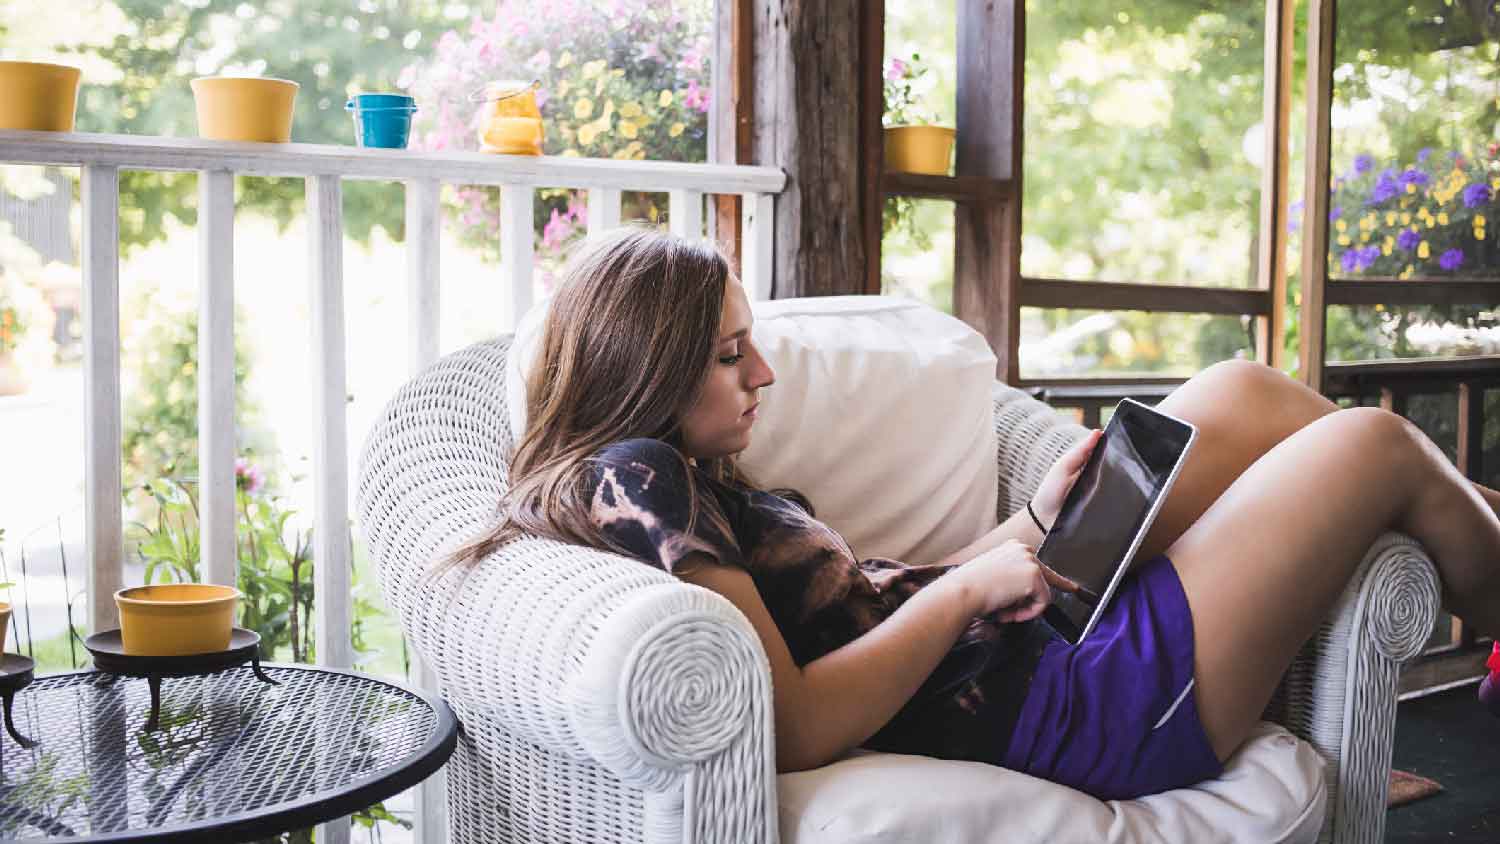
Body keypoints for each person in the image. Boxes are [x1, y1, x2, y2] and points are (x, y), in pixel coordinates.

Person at [444, 227, 1500, 800]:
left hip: (1028, 650)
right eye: (728, 356)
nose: (763, 372)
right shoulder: (642, 477)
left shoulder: (680, 474)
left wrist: (1032, 525)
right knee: (1373, 444)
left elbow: (884, 600)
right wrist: (971, 596)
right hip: (1076, 715)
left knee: (1242, 388)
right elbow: (800, 724)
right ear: (648, 372)